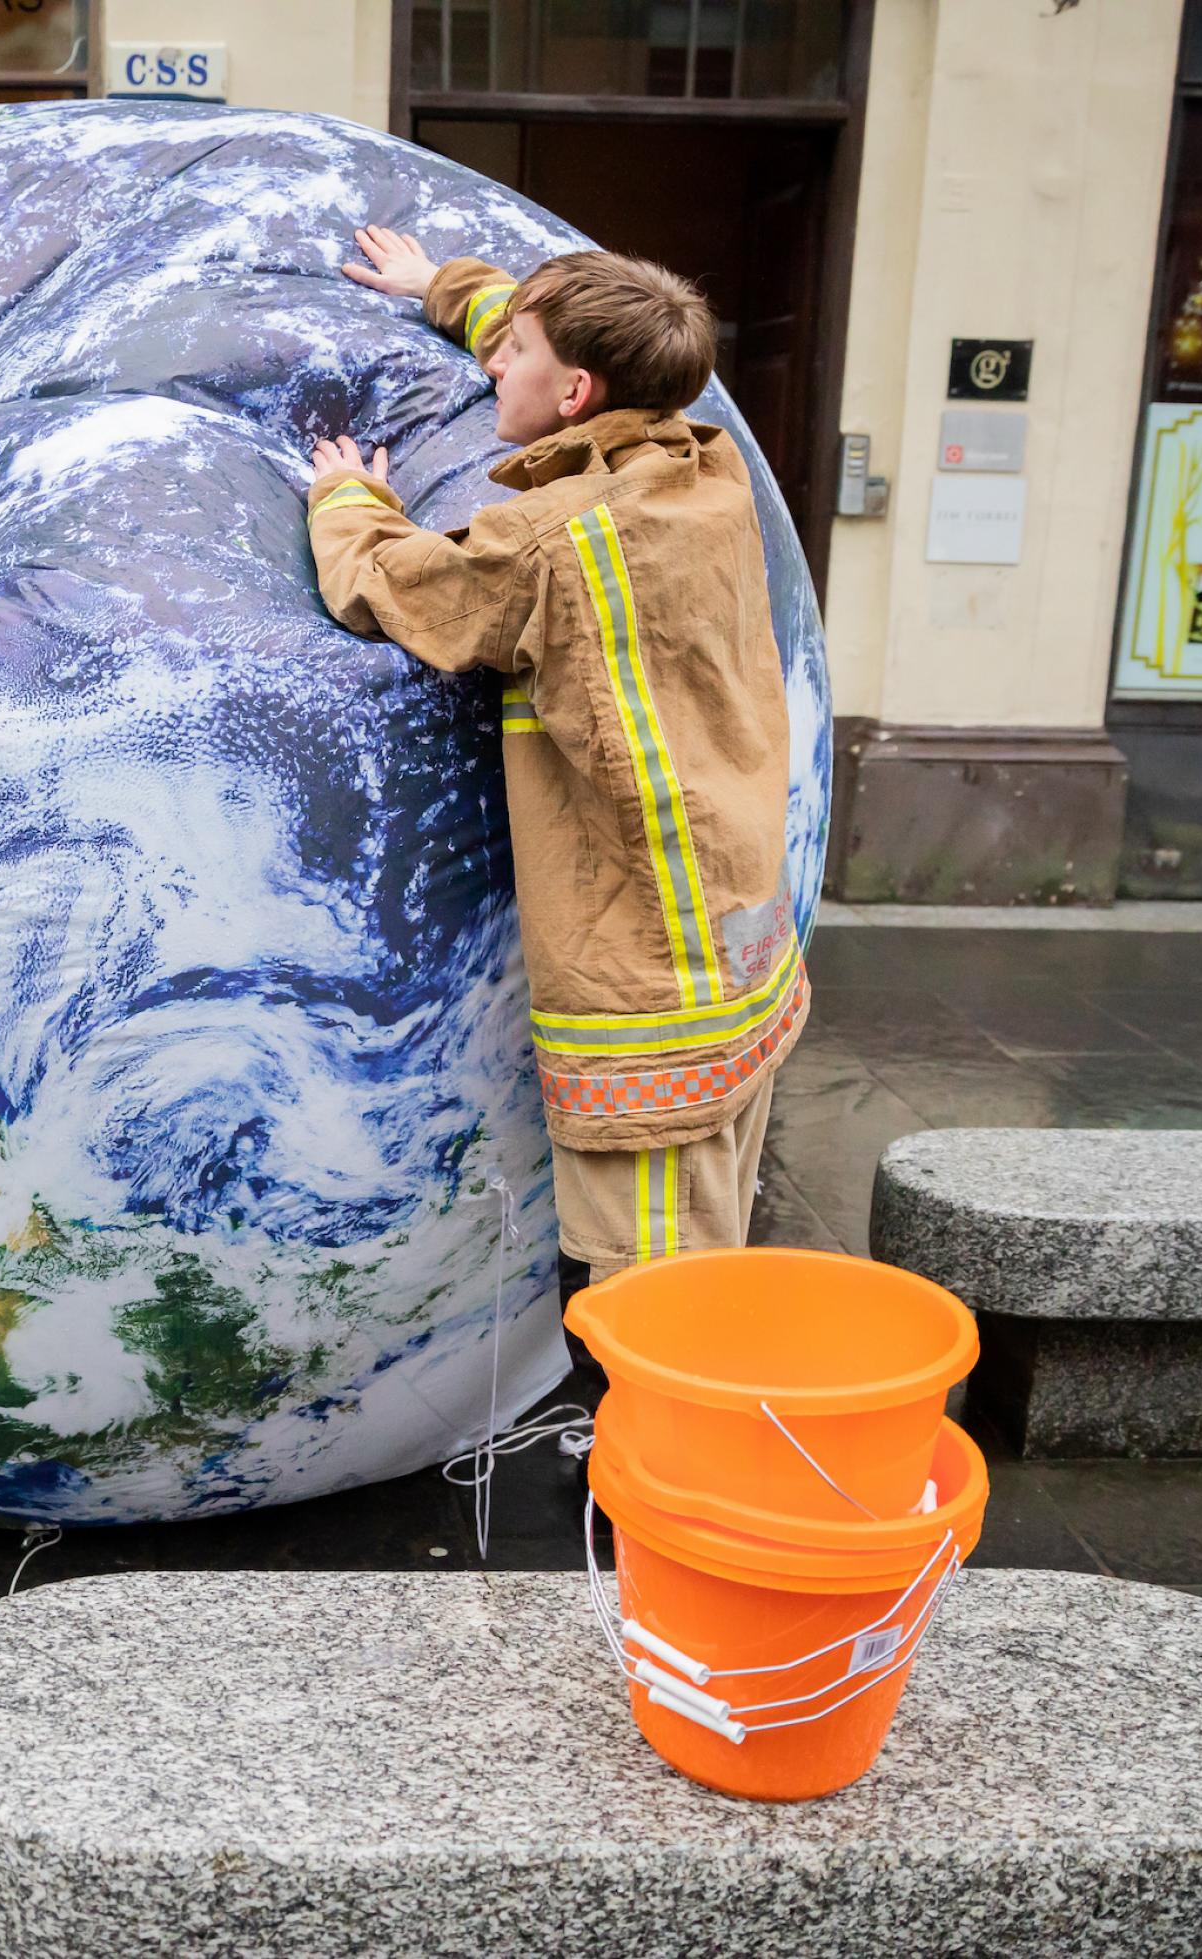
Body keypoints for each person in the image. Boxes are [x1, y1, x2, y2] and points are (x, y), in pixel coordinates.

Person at [308, 229, 806, 1283]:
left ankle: (649, 1451)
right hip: (742, 951)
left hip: (650, 992)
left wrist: (346, 497)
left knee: (649, 1297)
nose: (495, 364)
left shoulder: (555, 541)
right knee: (710, 1244)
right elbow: (581, 351)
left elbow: (395, 587)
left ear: (575, 391)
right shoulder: (704, 464)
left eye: (514, 350)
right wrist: (448, 289)